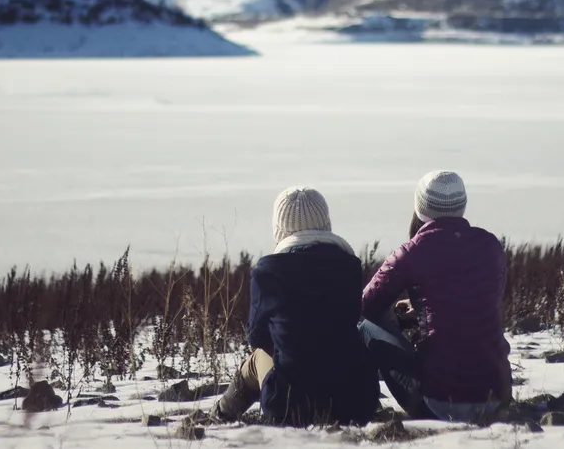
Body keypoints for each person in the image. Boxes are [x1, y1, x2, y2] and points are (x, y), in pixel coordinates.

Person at [211, 187, 380, 426]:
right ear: (326, 222)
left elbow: (256, 337)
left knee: (255, 359)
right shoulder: (349, 266)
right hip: (354, 403)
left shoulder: (267, 271)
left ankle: (220, 414)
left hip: (288, 406)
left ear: (279, 228)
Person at [360, 170, 511, 423]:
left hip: (438, 403)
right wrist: (419, 306)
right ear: (462, 205)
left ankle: (362, 405)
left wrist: (405, 317)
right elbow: (482, 298)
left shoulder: (412, 251)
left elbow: (366, 305)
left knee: (366, 327)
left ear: (421, 207)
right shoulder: (490, 245)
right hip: (497, 397)